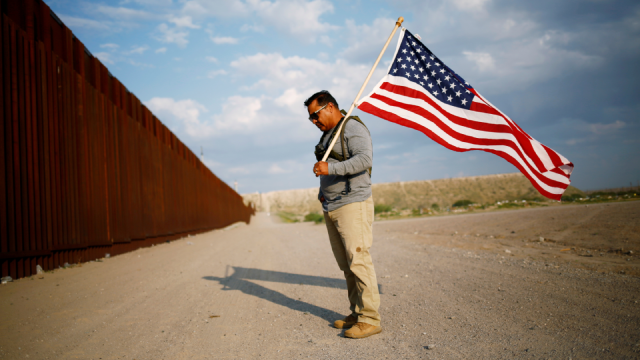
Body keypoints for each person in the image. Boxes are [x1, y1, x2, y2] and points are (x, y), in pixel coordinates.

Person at [305, 90, 382, 339]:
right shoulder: (329, 135)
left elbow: (364, 159)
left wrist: (330, 167)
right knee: (347, 265)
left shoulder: (351, 127)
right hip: (332, 205)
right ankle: (357, 313)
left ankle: (370, 319)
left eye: (315, 116)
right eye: (311, 120)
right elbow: (331, 170)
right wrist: (322, 190)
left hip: (353, 203)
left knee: (358, 261)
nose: (314, 122)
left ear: (329, 107)